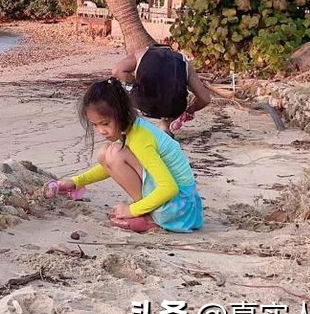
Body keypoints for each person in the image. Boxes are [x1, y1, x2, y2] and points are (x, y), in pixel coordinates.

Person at [45, 78, 203, 233]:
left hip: (180, 210)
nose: (101, 131)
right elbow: (109, 167)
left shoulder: (140, 138)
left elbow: (169, 188)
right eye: (95, 125)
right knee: (105, 154)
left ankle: (148, 216)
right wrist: (76, 182)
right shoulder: (131, 129)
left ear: (121, 114)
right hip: (182, 206)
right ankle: (147, 210)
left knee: (114, 153)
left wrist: (132, 210)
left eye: (105, 123)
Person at [113, 44, 210, 137]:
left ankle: (132, 126)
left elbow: (117, 71)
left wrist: (133, 81)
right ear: (172, 51)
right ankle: (165, 127)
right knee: (180, 93)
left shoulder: (141, 53)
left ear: (149, 48)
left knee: (119, 86)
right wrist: (190, 110)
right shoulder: (183, 61)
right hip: (172, 109)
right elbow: (205, 99)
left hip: (142, 105)